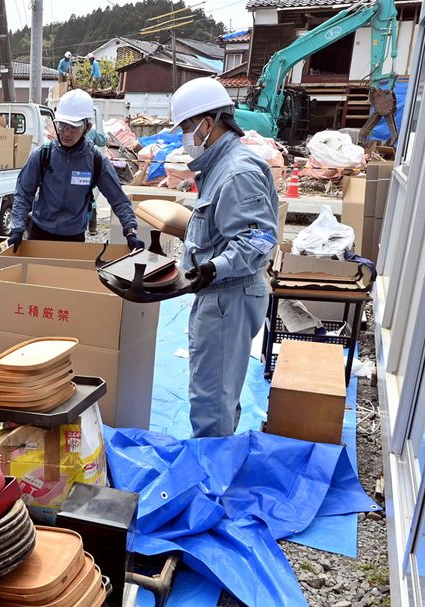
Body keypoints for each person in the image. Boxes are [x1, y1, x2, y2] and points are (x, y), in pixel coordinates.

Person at [170, 77, 279, 438]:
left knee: (211, 398)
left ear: (209, 122)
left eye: (187, 127)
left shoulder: (237, 172)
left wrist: (214, 266)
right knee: (216, 391)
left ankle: (211, 484)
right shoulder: (218, 166)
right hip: (220, 294)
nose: (186, 137)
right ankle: (216, 465)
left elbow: (260, 238)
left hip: (228, 296)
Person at [9, 89, 142, 250]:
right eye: (62, 125)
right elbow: (23, 193)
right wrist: (17, 228)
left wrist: (130, 231)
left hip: (74, 238)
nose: (66, 133)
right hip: (39, 233)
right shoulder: (43, 155)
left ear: (87, 127)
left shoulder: (96, 161)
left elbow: (118, 199)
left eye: (73, 127)